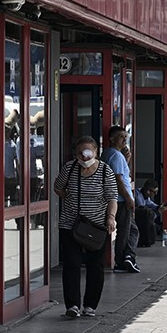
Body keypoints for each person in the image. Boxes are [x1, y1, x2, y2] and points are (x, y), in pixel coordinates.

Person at [54, 136, 118, 318]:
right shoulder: (70, 168)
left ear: (96, 152)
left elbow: (112, 198)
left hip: (96, 226)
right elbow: (58, 187)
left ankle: (90, 305)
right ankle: (72, 305)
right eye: (80, 153)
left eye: (88, 152)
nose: (84, 157)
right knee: (72, 264)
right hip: (70, 224)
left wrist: (110, 218)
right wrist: (68, 198)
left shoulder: (105, 171)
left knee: (95, 266)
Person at [101, 127, 140, 273]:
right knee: (125, 231)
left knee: (132, 230)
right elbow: (118, 179)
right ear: (112, 138)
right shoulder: (116, 156)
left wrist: (126, 160)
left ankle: (128, 257)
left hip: (115, 198)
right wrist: (128, 198)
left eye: (125, 136)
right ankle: (122, 260)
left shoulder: (109, 153)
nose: (124, 139)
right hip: (120, 200)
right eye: (121, 137)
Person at [135, 179, 166, 246]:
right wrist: (158, 212)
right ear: (148, 191)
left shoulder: (144, 195)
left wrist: (158, 207)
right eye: (154, 192)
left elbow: (150, 203)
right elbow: (145, 216)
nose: (156, 194)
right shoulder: (138, 197)